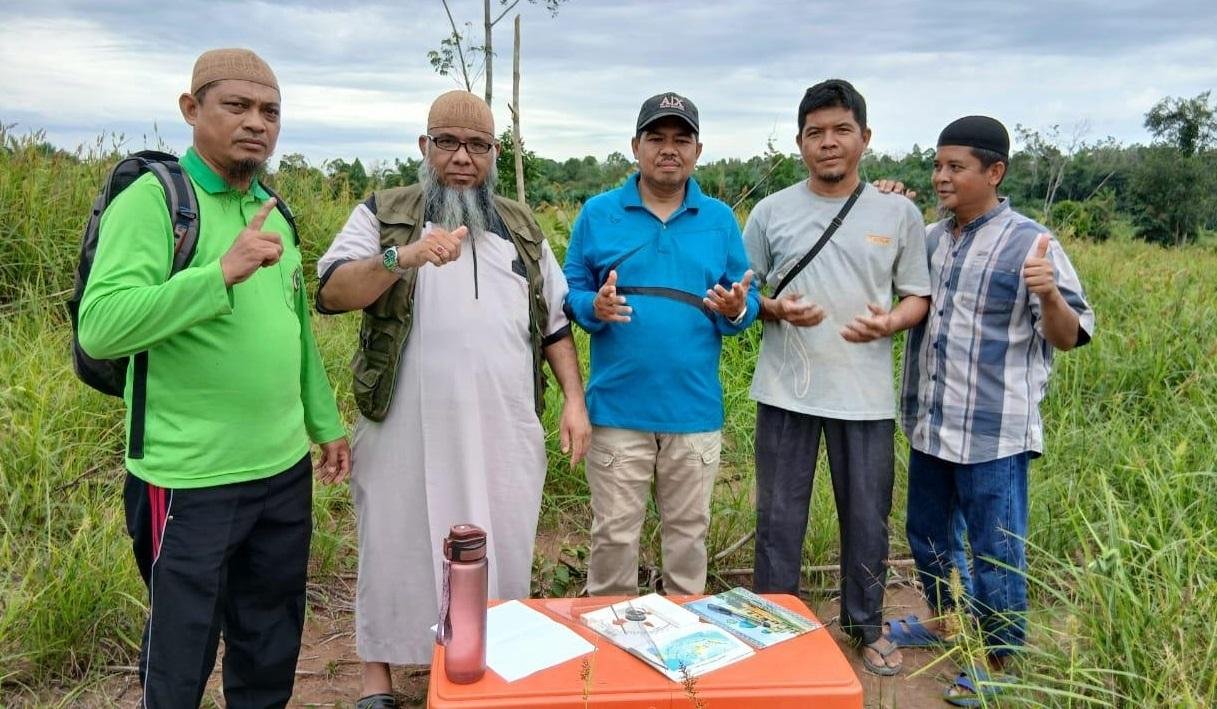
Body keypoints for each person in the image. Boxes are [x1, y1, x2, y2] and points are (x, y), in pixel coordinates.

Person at [77, 48, 350, 707]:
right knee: (180, 649)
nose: (256, 122)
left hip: (282, 469)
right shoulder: (157, 203)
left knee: (269, 636)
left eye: (270, 111)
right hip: (188, 475)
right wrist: (217, 273)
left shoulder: (274, 210)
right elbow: (103, 325)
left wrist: (324, 421)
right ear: (191, 109)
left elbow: (296, 331)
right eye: (237, 106)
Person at [315, 90, 590, 709]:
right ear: (425, 147)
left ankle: (487, 660)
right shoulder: (384, 213)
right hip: (403, 420)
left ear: (496, 153)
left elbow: (553, 324)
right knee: (392, 535)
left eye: (478, 146)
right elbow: (330, 290)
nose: (462, 158)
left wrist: (575, 400)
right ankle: (378, 678)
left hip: (502, 422)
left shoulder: (520, 227)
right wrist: (402, 257)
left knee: (503, 536)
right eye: (448, 143)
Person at [893, 115, 1094, 703]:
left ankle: (1001, 660)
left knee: (996, 547)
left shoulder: (1032, 242)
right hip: (930, 423)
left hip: (994, 433)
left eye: (955, 167)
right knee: (927, 535)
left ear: (994, 171)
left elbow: (1068, 335)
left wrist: (1049, 292)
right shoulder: (930, 239)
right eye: (936, 165)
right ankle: (940, 621)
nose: (940, 177)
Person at [743, 79, 930, 675]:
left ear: (865, 138)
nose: (828, 143)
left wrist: (890, 323)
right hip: (785, 392)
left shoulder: (899, 213)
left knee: (867, 518)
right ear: (799, 142)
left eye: (841, 130)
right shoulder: (771, 212)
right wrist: (774, 308)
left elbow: (917, 295)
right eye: (815, 132)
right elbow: (742, 294)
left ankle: (866, 627)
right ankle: (775, 625)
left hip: (866, 397)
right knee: (777, 518)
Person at [563, 92, 760, 598]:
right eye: (656, 138)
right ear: (636, 146)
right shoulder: (598, 213)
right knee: (613, 537)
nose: (668, 149)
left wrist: (737, 308)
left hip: (693, 414)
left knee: (688, 537)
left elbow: (745, 297)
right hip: (617, 413)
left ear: (697, 150)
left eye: (681, 139)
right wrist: (593, 308)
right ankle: (605, 657)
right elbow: (571, 287)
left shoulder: (718, 219)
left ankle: (685, 659)